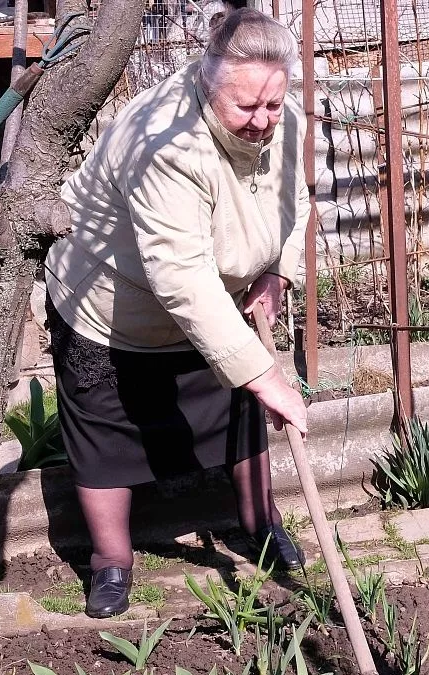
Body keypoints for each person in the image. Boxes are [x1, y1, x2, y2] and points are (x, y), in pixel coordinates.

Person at [43, 8, 311, 618]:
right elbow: (181, 274)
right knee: (107, 434)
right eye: (247, 108)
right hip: (115, 308)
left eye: (274, 104)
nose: (264, 121)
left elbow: (295, 201)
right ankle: (111, 562)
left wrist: (276, 271)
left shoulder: (281, 118)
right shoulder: (163, 139)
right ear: (207, 80)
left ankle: (259, 524)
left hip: (218, 303)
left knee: (240, 418)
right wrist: (263, 372)